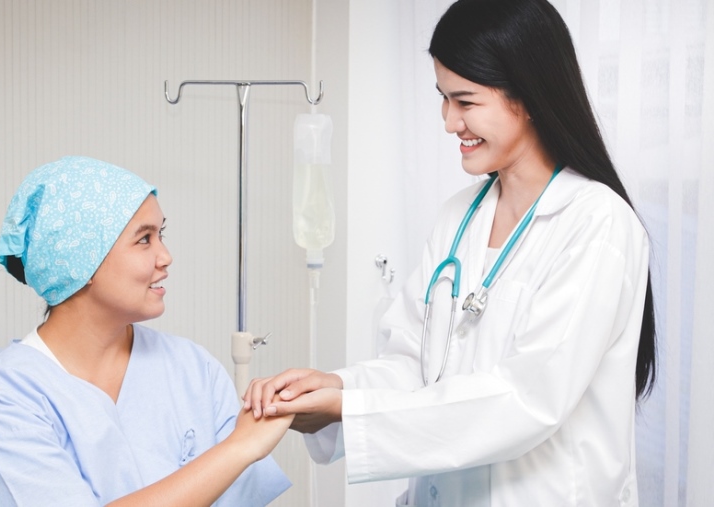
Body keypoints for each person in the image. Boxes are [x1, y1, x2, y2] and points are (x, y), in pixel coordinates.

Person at [245, 0, 657, 505]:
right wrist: (337, 388)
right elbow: (416, 365)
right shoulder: (459, 217)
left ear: (527, 96)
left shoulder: (597, 224)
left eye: (465, 101)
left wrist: (349, 412)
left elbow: (528, 399)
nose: (448, 121)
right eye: (443, 99)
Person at [0, 156, 292, 506]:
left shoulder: (192, 368)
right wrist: (240, 447)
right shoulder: (0, 396)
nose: (166, 256)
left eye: (160, 234)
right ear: (80, 260)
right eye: (144, 239)